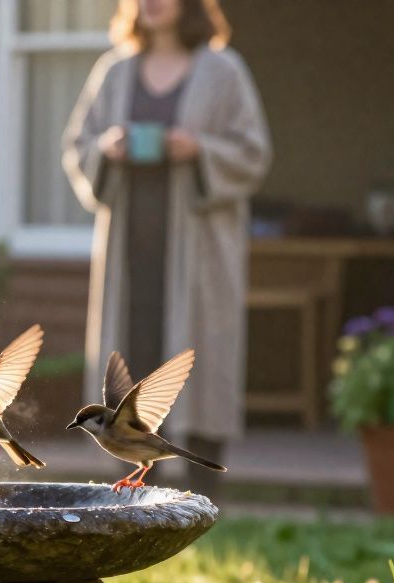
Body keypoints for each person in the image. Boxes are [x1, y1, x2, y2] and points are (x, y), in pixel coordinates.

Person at [62, 0, 271, 491]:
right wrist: (106, 149)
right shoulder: (115, 70)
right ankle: (128, 499)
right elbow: (77, 145)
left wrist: (200, 149)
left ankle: (198, 493)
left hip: (197, 252)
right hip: (128, 251)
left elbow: (253, 152)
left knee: (196, 353)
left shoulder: (223, 70)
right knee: (127, 362)